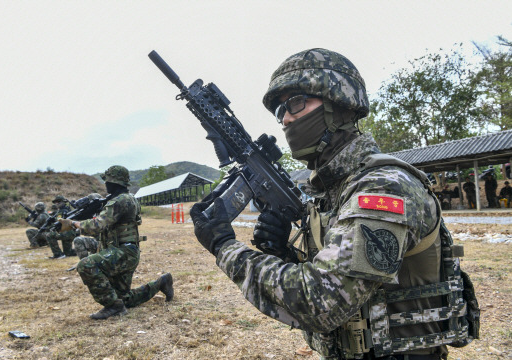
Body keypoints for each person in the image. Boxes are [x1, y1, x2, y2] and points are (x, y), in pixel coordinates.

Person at [190, 49, 479, 360]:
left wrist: (225, 247)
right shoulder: (334, 189)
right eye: (280, 112)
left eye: (296, 103)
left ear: (338, 104)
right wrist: (283, 252)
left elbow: (322, 301)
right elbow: (336, 275)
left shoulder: (383, 187)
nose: (286, 118)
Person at [59, 165, 174, 320]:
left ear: (114, 181)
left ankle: (114, 307)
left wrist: (74, 224)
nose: (105, 184)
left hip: (122, 253)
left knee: (86, 265)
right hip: (126, 252)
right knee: (124, 298)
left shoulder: (120, 201)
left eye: (107, 181)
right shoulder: (126, 198)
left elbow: (98, 225)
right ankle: (161, 283)